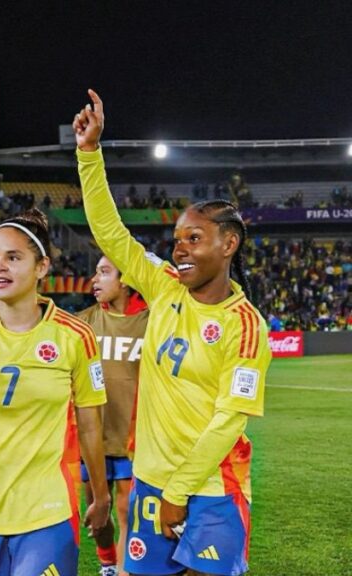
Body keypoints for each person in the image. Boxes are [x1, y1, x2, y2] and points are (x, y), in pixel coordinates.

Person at [74, 90, 269, 576]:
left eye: (194, 239)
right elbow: (110, 232)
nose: (180, 249)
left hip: (212, 490)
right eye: (177, 239)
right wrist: (89, 154)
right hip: (150, 481)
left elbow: (229, 421)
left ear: (229, 244)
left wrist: (179, 493)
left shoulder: (244, 326)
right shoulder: (164, 289)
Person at [0, 210, 110, 576]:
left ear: (41, 267)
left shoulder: (76, 337)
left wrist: (101, 496)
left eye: (13, 258)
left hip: (48, 513)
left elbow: (90, 427)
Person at [76, 256, 150, 576]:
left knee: (126, 511)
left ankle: (122, 569)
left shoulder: (153, 321)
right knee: (96, 511)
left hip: (133, 437)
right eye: (95, 271)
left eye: (104, 272)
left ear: (126, 279)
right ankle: (107, 562)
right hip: (91, 436)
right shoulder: (84, 322)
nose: (95, 279)